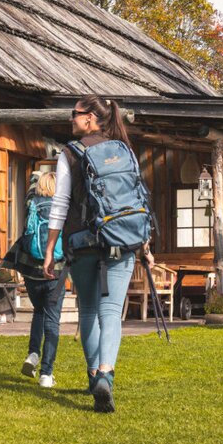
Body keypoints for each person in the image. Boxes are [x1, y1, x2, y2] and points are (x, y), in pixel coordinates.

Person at [42, 95, 153, 413]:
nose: (70, 120)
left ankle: (94, 377)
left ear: (90, 118)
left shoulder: (70, 153)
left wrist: (51, 249)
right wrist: (143, 243)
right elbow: (136, 198)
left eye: (74, 115)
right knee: (111, 311)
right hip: (122, 239)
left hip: (82, 241)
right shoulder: (123, 150)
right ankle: (106, 372)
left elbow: (60, 203)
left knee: (89, 310)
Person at [21, 171, 65, 388]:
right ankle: (46, 374)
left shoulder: (31, 203)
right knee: (52, 321)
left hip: (31, 273)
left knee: (38, 312)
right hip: (55, 271)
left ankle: (32, 354)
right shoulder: (61, 206)